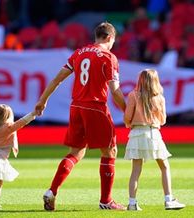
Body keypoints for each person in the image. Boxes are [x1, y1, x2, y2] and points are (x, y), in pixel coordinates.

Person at [34, 21, 126, 211]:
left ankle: (52, 191)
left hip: (76, 107)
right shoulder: (109, 57)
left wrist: (42, 100)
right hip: (96, 106)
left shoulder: (79, 53)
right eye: (113, 41)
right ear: (109, 37)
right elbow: (115, 92)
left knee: (76, 152)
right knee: (110, 152)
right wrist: (128, 112)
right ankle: (106, 201)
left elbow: (57, 79)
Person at [123, 69, 185, 211]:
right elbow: (162, 120)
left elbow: (127, 117)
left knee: (136, 170)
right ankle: (169, 200)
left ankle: (132, 203)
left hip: (136, 133)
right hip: (153, 133)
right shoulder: (159, 98)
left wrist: (130, 122)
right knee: (164, 167)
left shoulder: (133, 95)